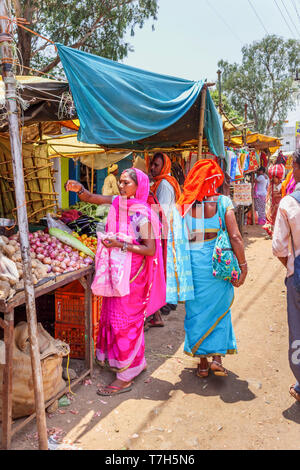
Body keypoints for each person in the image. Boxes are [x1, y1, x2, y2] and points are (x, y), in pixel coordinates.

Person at [65, 168, 166, 395]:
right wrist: (79, 189)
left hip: (133, 277)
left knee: (125, 323)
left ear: (138, 186)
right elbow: (93, 198)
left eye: (126, 183)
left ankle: (126, 376)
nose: (121, 187)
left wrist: (120, 245)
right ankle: (131, 362)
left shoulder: (143, 213)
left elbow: (149, 249)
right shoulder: (119, 202)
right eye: (120, 182)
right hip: (116, 272)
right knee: (112, 317)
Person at [177, 159, 248, 377]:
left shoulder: (185, 205)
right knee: (220, 310)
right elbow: (235, 236)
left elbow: (181, 237)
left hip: (194, 263)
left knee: (196, 311)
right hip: (218, 264)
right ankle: (217, 359)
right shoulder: (223, 201)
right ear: (214, 179)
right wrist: (243, 265)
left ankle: (202, 364)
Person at [272, 149, 300, 403]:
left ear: (295, 166)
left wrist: (291, 267)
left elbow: (278, 247)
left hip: (298, 276)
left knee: (297, 330)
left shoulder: (289, 203)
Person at [150, 152, 182, 315]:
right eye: (152, 164)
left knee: (165, 266)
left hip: (164, 230)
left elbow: (159, 211)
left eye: (156, 165)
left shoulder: (163, 184)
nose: (153, 168)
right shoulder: (165, 182)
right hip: (168, 227)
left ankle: (167, 302)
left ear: (165, 166)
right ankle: (169, 301)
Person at [263, 163, 285, 238]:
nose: (273, 179)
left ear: (278, 178)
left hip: (279, 205)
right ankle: (271, 233)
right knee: (271, 218)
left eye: (275, 177)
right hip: (272, 205)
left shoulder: (282, 185)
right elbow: (268, 195)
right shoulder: (271, 185)